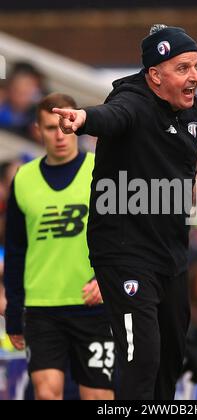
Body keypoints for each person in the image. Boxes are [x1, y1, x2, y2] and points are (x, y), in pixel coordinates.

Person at [53, 24, 197, 400]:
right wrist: (82, 119)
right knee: (141, 360)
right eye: (183, 68)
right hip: (125, 254)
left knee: (171, 356)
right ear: (155, 75)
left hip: (170, 253)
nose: (195, 77)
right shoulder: (133, 103)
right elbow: (111, 115)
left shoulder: (193, 113)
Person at [4, 93, 115, 400]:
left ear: (77, 123)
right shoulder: (23, 178)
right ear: (38, 131)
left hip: (93, 306)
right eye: (50, 127)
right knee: (46, 393)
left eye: (65, 124)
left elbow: (128, 237)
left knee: (98, 396)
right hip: (42, 307)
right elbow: (15, 250)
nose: (60, 134)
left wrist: (109, 280)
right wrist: (14, 311)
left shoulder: (102, 169)